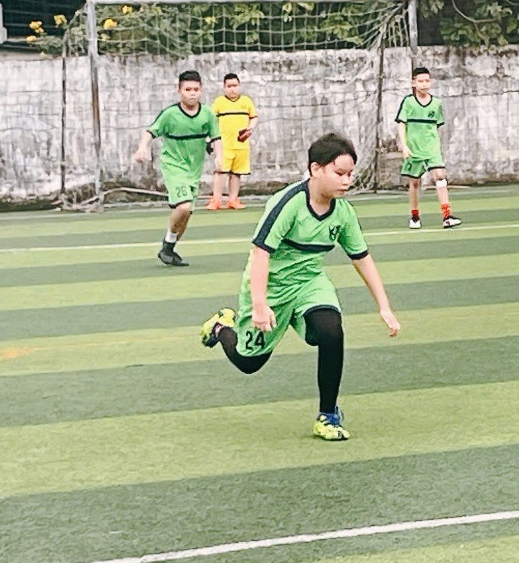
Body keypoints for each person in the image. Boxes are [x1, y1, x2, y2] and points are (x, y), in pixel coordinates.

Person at [200, 132, 400, 441]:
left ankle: (328, 415)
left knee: (331, 331)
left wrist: (384, 305)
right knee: (248, 362)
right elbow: (260, 253)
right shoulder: (288, 204)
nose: (347, 181)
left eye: (350, 174)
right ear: (315, 169)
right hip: (272, 287)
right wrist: (259, 304)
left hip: (309, 282)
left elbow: (362, 258)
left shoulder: (343, 213)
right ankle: (219, 327)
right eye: (340, 173)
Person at [134, 69, 221, 266]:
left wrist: (219, 156)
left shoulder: (207, 114)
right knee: (184, 207)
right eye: (188, 89)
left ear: (201, 90)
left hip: (194, 170)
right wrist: (142, 148)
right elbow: (151, 131)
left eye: (196, 89)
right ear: (179, 90)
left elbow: (216, 137)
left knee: (186, 213)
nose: (192, 93)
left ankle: (168, 248)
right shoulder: (170, 114)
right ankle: (168, 245)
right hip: (174, 167)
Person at [396, 66, 462, 229]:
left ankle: (447, 216)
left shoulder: (436, 104)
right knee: (415, 182)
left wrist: (434, 144)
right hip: (414, 149)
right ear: (414, 83)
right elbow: (401, 125)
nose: (424, 84)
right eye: (420, 81)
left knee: (440, 175)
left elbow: (437, 126)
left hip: (431, 148)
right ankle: (415, 216)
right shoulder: (408, 102)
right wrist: (404, 145)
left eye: (427, 81)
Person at [208, 72, 258, 210]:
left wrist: (249, 129)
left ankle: (233, 200)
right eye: (229, 86)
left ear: (239, 86)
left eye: (235, 85)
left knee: (236, 173)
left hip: (241, 145)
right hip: (224, 145)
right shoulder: (219, 102)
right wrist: (211, 139)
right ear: (224, 87)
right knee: (220, 171)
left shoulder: (246, 101)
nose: (232, 89)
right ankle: (216, 199)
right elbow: (211, 121)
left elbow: (254, 117)